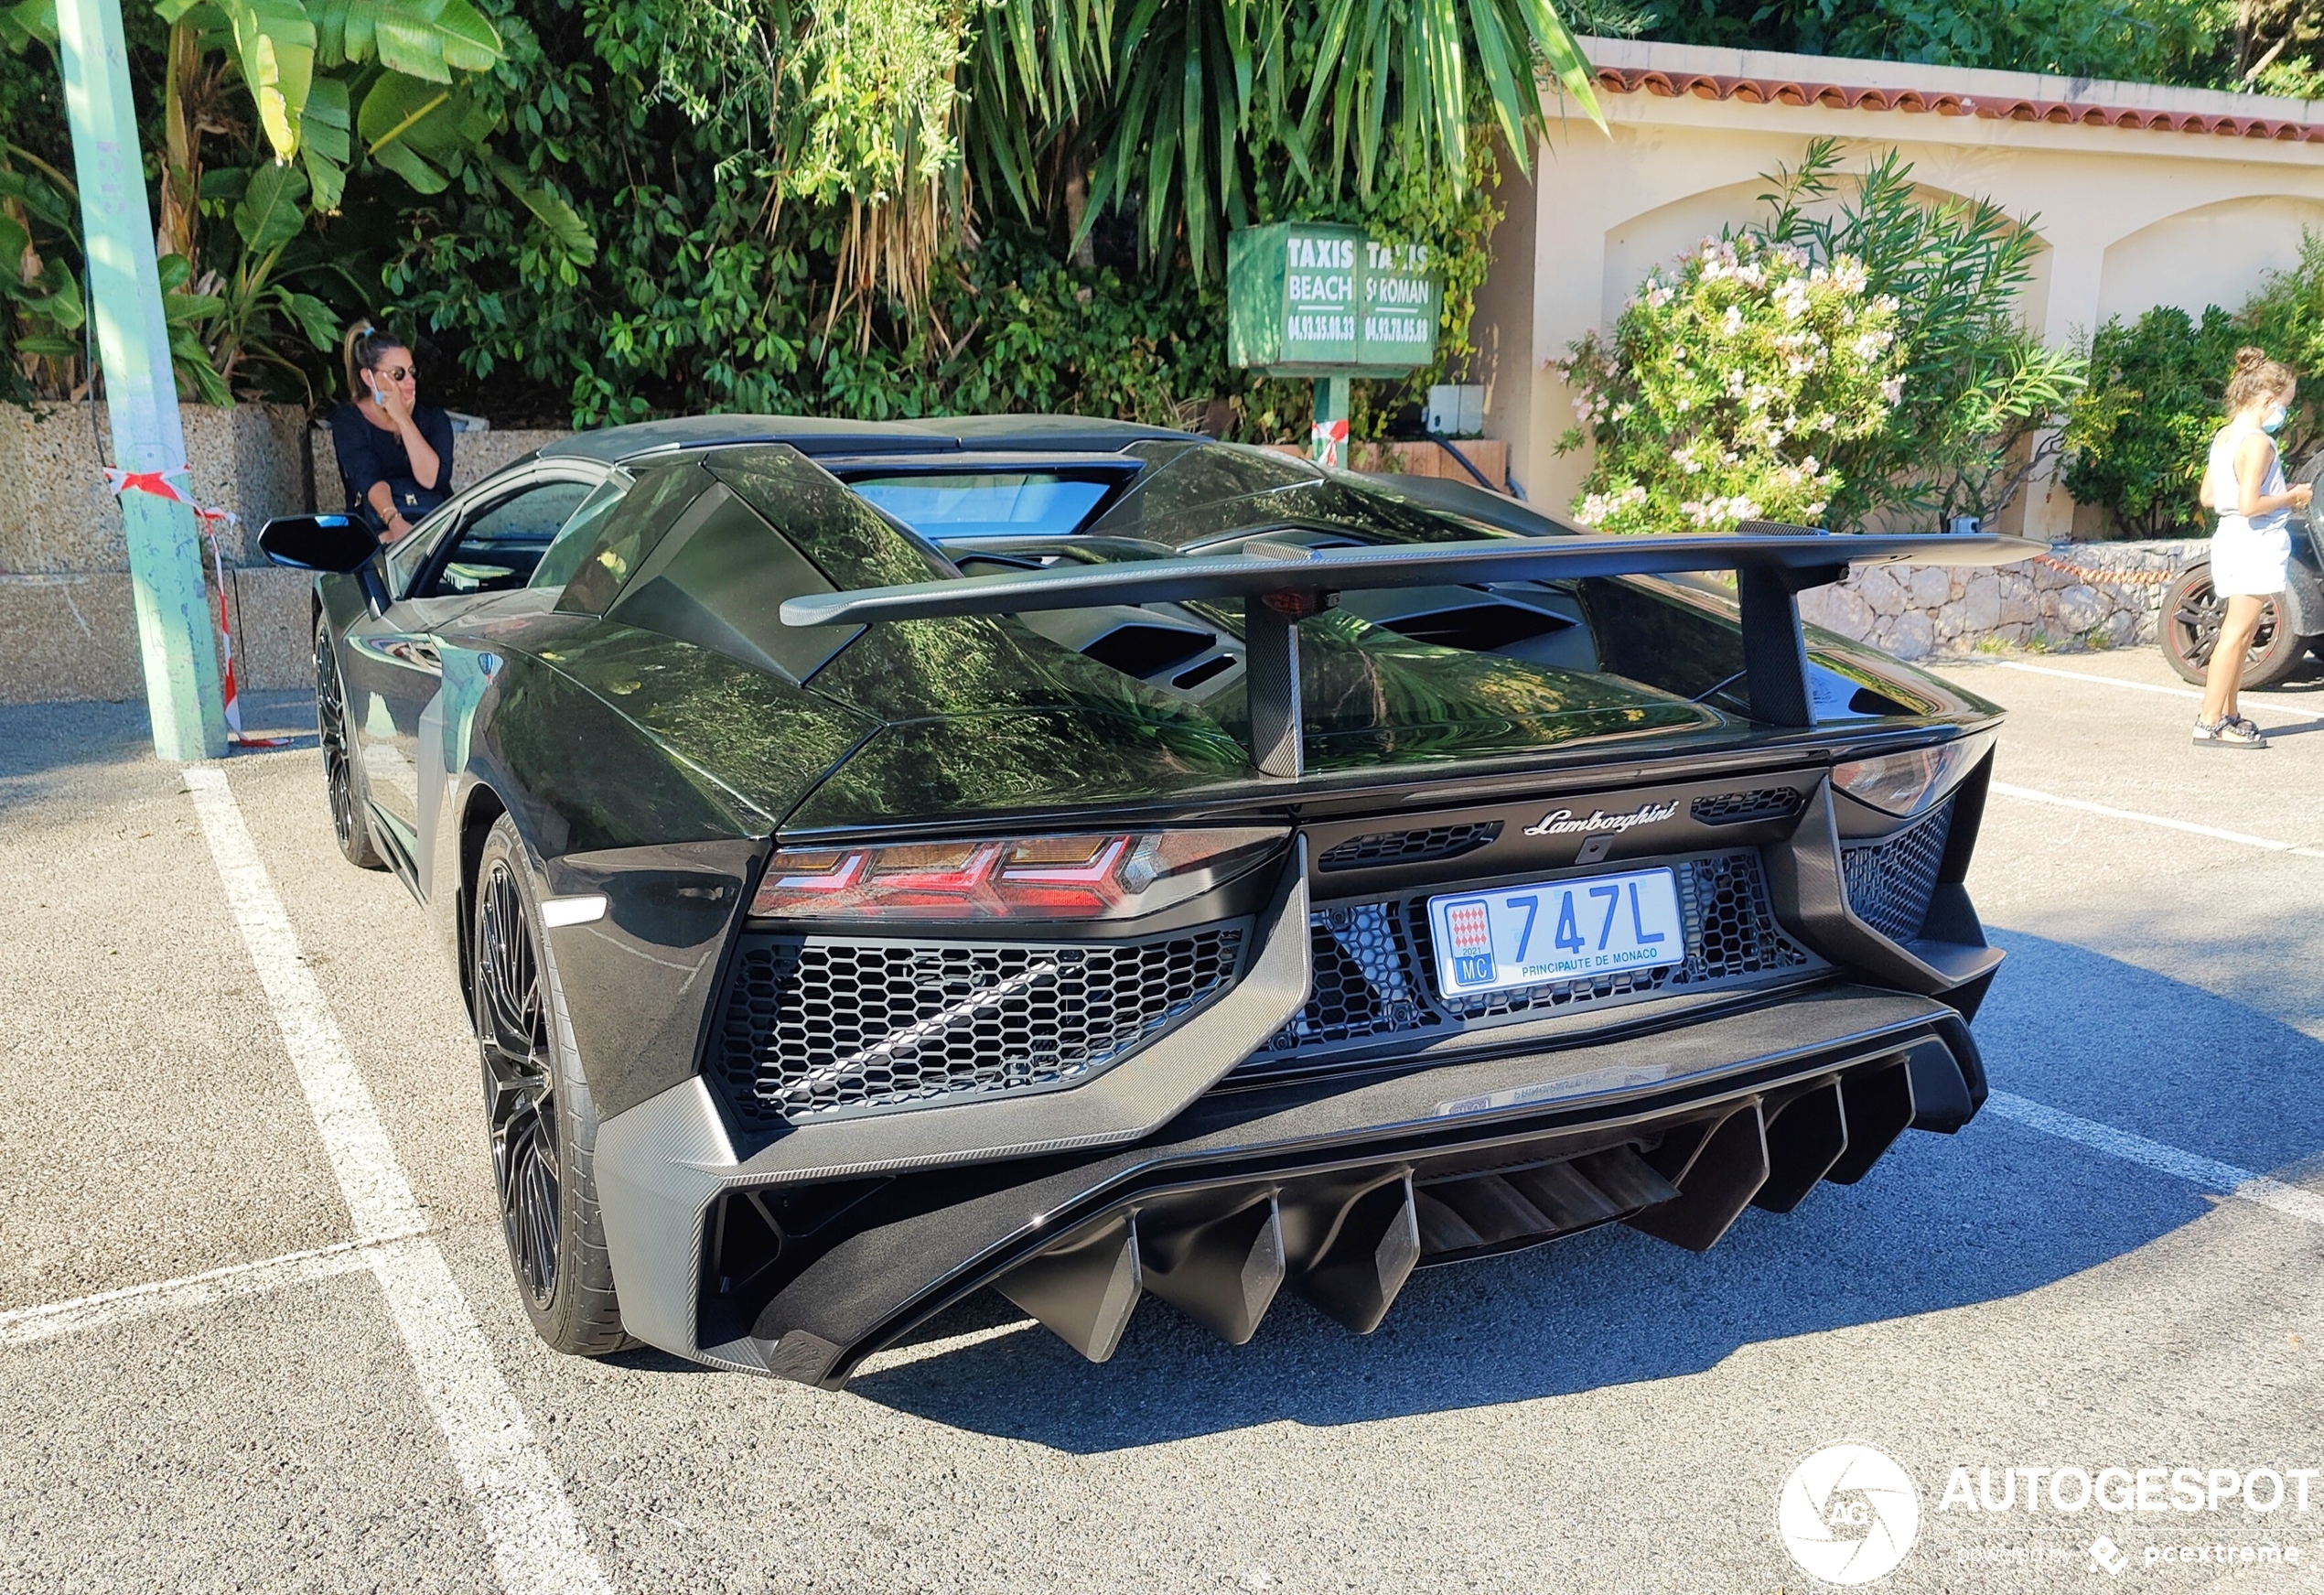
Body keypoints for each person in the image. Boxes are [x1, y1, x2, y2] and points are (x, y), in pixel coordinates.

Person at [2193, 347, 2309, 749]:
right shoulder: (2258, 441)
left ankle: (2228, 713)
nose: (2285, 413)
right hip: (2254, 538)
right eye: (2285, 404)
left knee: (2239, 633)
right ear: (2266, 400)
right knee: (2237, 632)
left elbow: (2209, 496)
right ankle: (2210, 721)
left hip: (2230, 537)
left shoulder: (2224, 436)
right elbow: (2250, 505)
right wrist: (2292, 496)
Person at [330, 321, 454, 545]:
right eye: (398, 374)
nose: (409, 381)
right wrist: (395, 521)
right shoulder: (349, 421)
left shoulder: (433, 418)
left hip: (434, 525)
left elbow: (432, 479)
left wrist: (403, 419)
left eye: (412, 372)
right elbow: (368, 477)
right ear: (369, 378)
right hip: (377, 527)